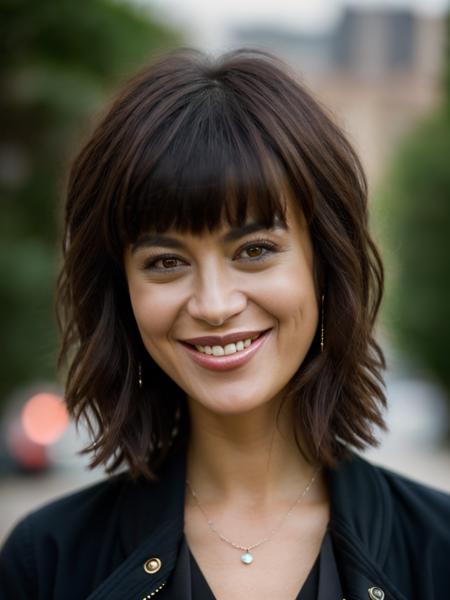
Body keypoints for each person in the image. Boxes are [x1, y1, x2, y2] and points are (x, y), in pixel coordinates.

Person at [1, 48, 449, 600]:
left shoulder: (438, 549)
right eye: (166, 262)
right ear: (123, 294)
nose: (213, 305)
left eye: (254, 250)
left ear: (324, 266)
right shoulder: (46, 561)